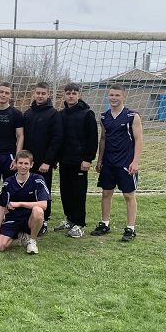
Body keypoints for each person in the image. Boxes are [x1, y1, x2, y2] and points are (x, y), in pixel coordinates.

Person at [91, 84, 143, 242]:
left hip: (126, 162)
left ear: (123, 97)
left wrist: (135, 161)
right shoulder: (103, 117)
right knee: (106, 193)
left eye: (117, 95)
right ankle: (105, 224)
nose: (113, 98)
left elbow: (139, 140)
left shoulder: (132, 116)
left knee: (128, 195)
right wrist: (100, 160)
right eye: (111, 95)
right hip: (108, 162)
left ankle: (130, 228)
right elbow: (103, 139)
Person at [54, 82, 98, 238]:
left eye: (74, 93)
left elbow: (93, 138)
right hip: (65, 160)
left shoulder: (87, 113)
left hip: (80, 162)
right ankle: (70, 219)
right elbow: (58, 138)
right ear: (64, 96)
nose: (71, 96)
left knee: (78, 193)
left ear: (79, 95)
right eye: (68, 93)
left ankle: (80, 223)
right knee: (66, 192)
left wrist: (88, 159)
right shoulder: (61, 114)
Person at [22, 81, 62, 234]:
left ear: (48, 94)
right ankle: (28, 219)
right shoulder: (28, 113)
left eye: (43, 93)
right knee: (28, 189)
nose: (40, 96)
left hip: (44, 163)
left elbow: (57, 139)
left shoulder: (53, 114)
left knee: (43, 191)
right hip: (27, 163)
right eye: (38, 93)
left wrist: (48, 161)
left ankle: (44, 220)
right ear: (34, 93)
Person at [0, 150, 49, 255]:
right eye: (20, 163)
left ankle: (32, 241)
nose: (23, 166)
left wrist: (20, 204)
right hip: (14, 218)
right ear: (15, 163)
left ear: (31, 164)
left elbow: (44, 205)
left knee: (38, 210)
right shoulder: (8, 182)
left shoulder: (38, 180)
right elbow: (2, 206)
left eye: (26, 163)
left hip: (30, 219)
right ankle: (19, 235)